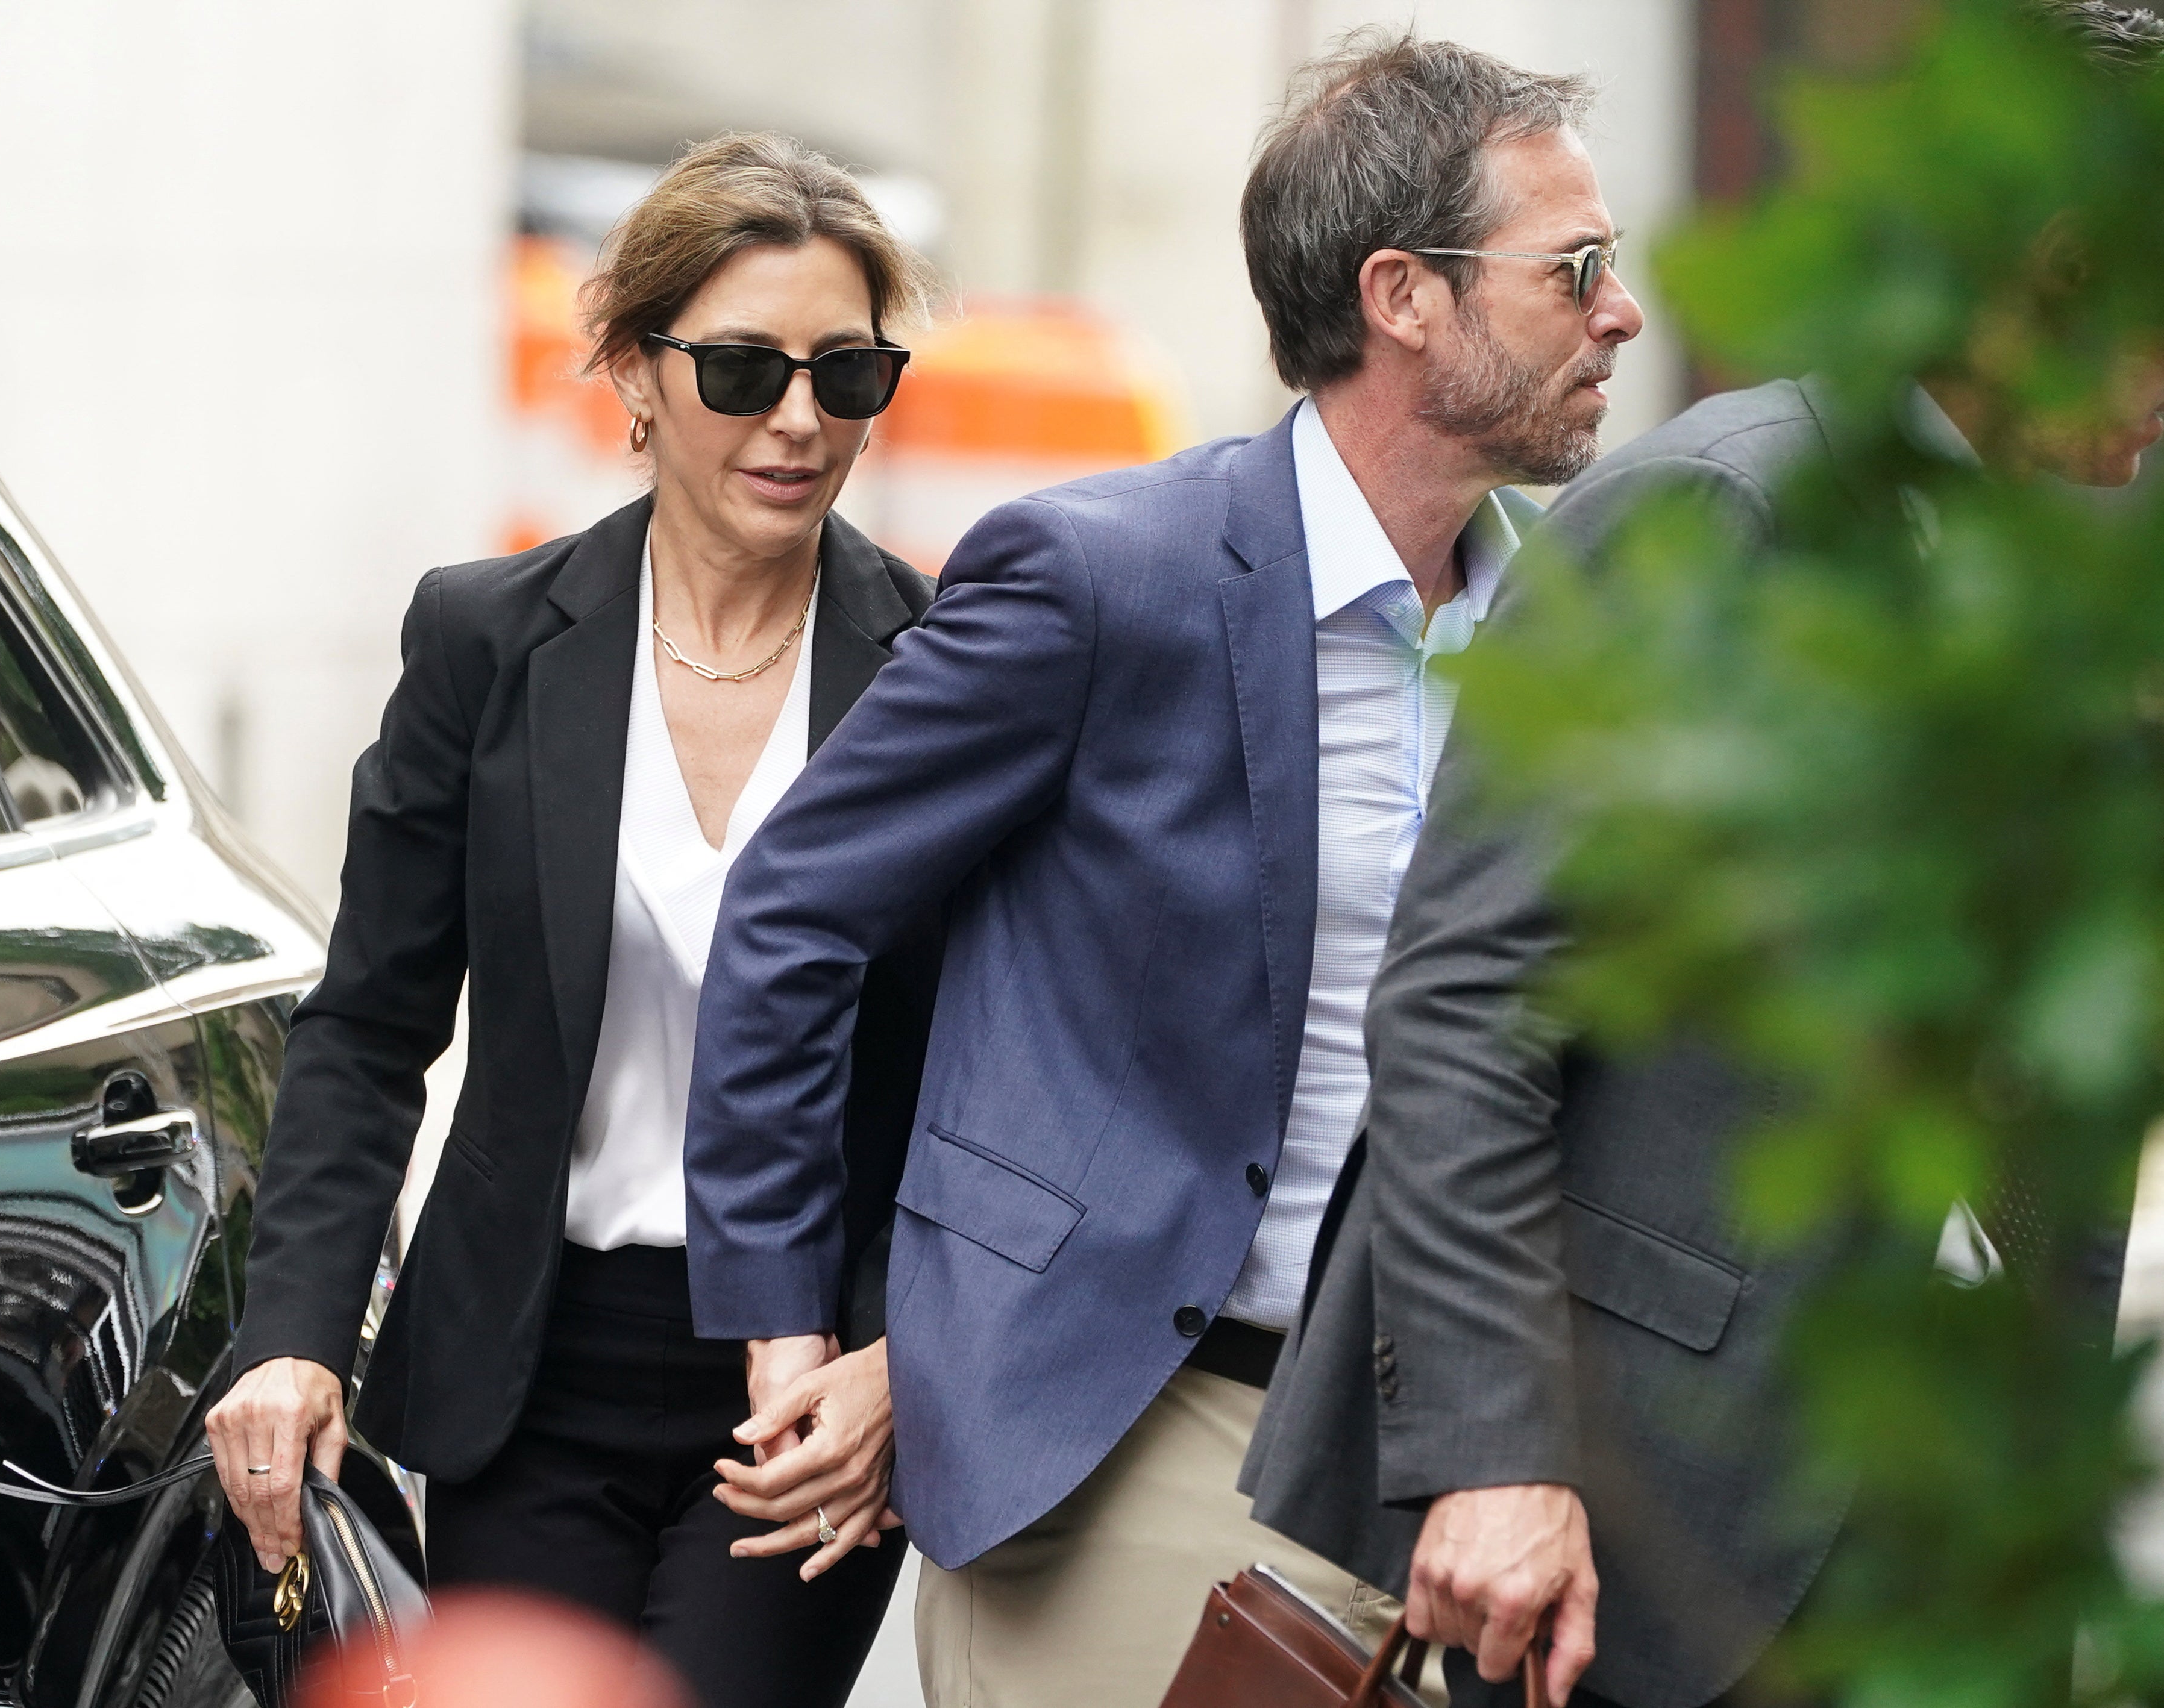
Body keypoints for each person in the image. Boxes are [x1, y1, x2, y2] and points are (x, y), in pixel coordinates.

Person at [681, 33, 1643, 1708]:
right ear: (1401, 296)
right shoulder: (1101, 581)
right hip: (1130, 1429)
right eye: (1574, 270)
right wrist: (798, 1331)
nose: (1618, 312)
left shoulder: (1584, 625)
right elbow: (795, 908)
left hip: (1463, 1444)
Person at [1241, 9, 2164, 1708]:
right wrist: (1495, 1456)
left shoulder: (2082, 595)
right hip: (1640, 1533)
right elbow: (1461, 1005)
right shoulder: (1715, 515)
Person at [203, 131, 942, 1708]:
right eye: (744, 369)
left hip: (803, 1384)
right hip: (528, 1369)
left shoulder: (941, 666)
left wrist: (902, 1357)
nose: (801, 419)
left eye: (849, 373)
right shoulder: (486, 642)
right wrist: (296, 1334)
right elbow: (369, 1025)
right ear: (634, 367)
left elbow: (1000, 1069)